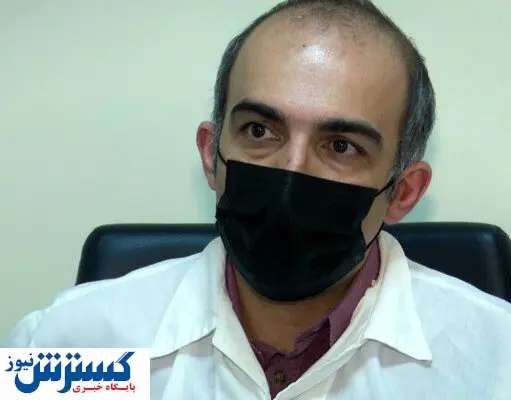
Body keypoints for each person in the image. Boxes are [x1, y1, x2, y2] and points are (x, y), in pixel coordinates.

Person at [3, 0, 511, 398]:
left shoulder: (495, 365)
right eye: (260, 130)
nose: (291, 173)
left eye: (341, 146)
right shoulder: (72, 344)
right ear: (211, 155)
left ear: (403, 192)